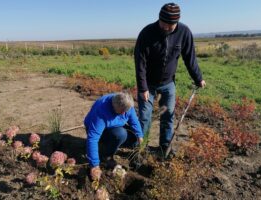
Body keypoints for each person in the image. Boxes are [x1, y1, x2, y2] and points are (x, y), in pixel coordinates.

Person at [134, 3, 206, 157]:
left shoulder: (184, 32)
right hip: (148, 84)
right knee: (145, 118)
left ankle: (164, 148)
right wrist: (143, 88)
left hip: (168, 84)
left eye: (170, 25)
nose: (166, 27)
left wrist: (198, 78)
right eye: (163, 23)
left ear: (176, 22)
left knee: (168, 116)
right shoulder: (147, 33)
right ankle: (140, 150)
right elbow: (140, 63)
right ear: (159, 19)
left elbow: (190, 58)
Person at [84, 92, 143, 180]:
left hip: (114, 126)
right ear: (114, 106)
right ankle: (106, 156)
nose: (124, 114)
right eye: (122, 111)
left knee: (134, 137)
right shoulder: (102, 111)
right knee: (120, 134)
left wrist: (140, 136)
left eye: (125, 111)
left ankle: (113, 144)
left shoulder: (127, 105)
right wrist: (94, 165)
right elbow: (92, 138)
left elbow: (134, 121)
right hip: (100, 130)